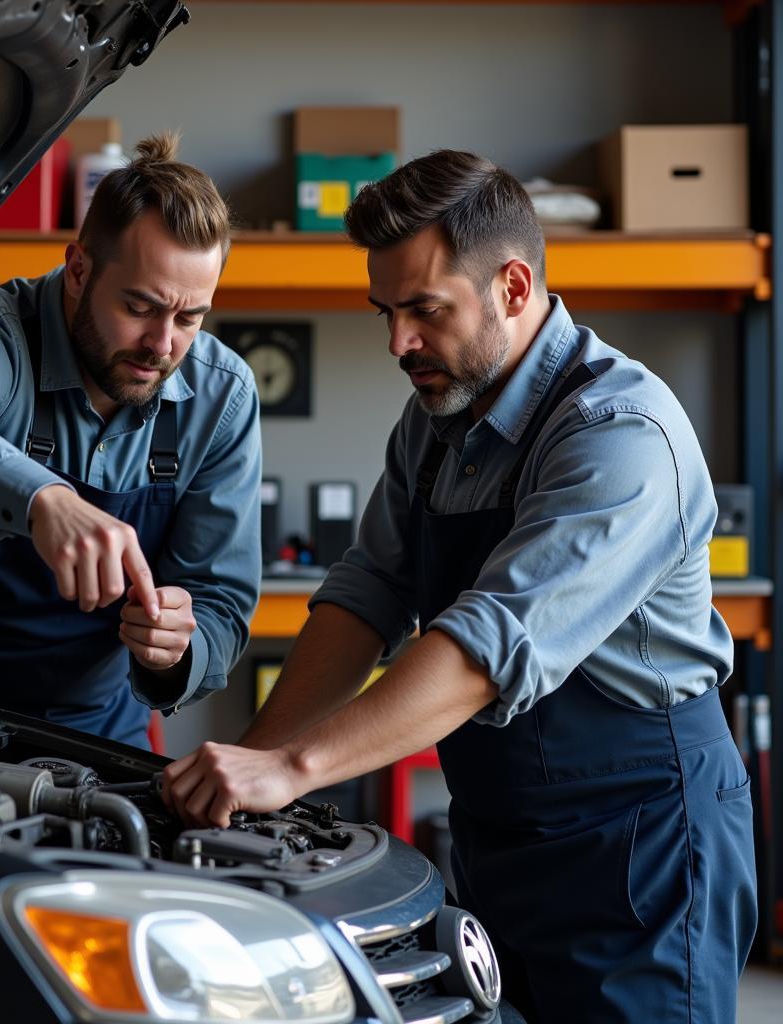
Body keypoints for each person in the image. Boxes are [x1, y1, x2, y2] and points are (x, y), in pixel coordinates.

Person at [162, 149, 757, 1021]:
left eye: (424, 311)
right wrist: (249, 771)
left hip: (643, 848)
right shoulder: (439, 418)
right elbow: (368, 592)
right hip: (504, 840)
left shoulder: (623, 437)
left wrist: (293, 767)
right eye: (386, 312)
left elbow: (487, 647)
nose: (399, 342)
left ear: (513, 288)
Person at [0, 134, 261, 748]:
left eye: (190, 317)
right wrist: (41, 501)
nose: (163, 344)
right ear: (79, 269)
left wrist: (177, 645)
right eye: (140, 307)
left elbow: (219, 598)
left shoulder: (222, 397)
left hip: (87, 734)